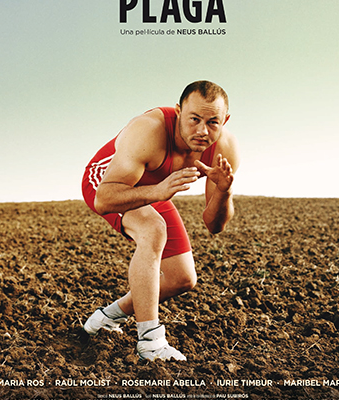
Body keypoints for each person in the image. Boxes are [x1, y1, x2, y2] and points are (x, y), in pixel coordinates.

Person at [81, 80, 240, 361]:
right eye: (194, 119)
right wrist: (157, 192)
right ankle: (150, 342)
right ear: (178, 112)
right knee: (153, 229)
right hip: (107, 183)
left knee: (182, 278)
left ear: (224, 120)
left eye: (213, 122)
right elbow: (104, 200)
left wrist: (224, 192)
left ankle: (107, 317)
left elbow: (214, 225)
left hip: (155, 188)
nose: (202, 131)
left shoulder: (224, 148)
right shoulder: (149, 130)